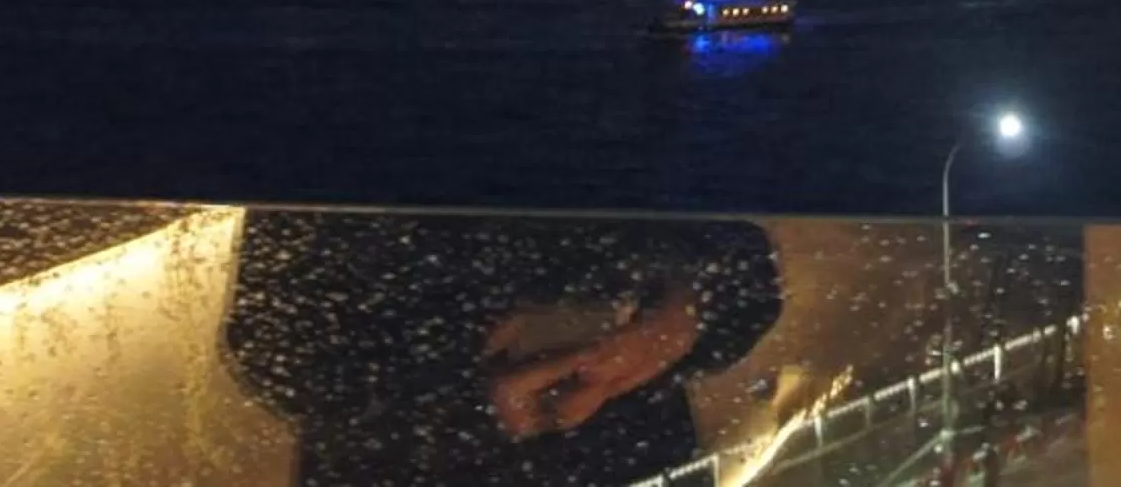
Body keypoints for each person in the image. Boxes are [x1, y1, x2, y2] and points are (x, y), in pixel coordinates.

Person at [222, 207, 782, 485]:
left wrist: (684, 314)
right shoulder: (349, 79)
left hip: (621, 460)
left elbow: (741, 260)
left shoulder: (620, 59)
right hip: (411, 470)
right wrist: (470, 411)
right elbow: (273, 345)